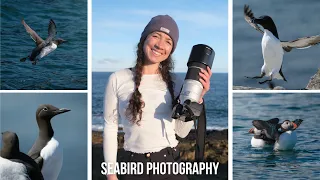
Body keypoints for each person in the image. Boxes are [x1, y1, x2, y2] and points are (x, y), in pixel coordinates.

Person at [103, 15, 212, 180]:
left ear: (171, 51)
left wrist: (197, 98)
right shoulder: (118, 78)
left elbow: (181, 132)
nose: (160, 45)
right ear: (144, 39)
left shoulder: (176, 82)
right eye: (156, 36)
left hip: (170, 164)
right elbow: (110, 127)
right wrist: (111, 174)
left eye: (168, 41)